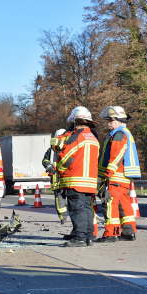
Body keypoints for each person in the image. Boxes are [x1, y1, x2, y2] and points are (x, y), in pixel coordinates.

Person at [96, 105, 141, 242]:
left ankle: (111, 234)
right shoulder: (125, 133)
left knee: (110, 205)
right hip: (124, 177)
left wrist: (107, 174)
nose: (108, 123)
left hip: (115, 176)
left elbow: (116, 155)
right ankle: (129, 232)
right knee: (125, 205)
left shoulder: (118, 134)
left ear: (117, 120)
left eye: (110, 120)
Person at [57, 106, 99, 247]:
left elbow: (66, 156)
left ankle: (79, 238)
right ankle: (88, 236)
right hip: (90, 181)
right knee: (86, 209)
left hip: (75, 180)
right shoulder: (93, 137)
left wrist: (59, 169)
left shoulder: (77, 136)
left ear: (75, 121)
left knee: (77, 209)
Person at [42, 128, 68, 224]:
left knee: (71, 197)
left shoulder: (68, 147)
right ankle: (63, 217)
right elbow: (44, 160)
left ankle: (71, 216)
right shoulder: (51, 150)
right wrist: (49, 166)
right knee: (59, 197)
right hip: (56, 177)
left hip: (67, 176)